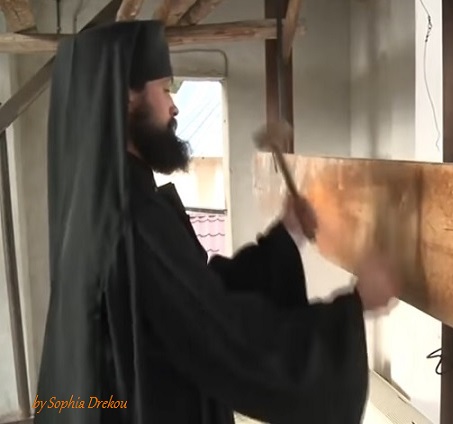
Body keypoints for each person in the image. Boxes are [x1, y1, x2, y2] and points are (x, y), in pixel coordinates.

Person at [35, 20, 400, 424]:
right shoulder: (134, 218)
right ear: (126, 96)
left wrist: (285, 237)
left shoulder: (96, 205)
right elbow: (218, 334)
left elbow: (198, 295)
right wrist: (351, 312)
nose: (174, 107)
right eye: (165, 89)